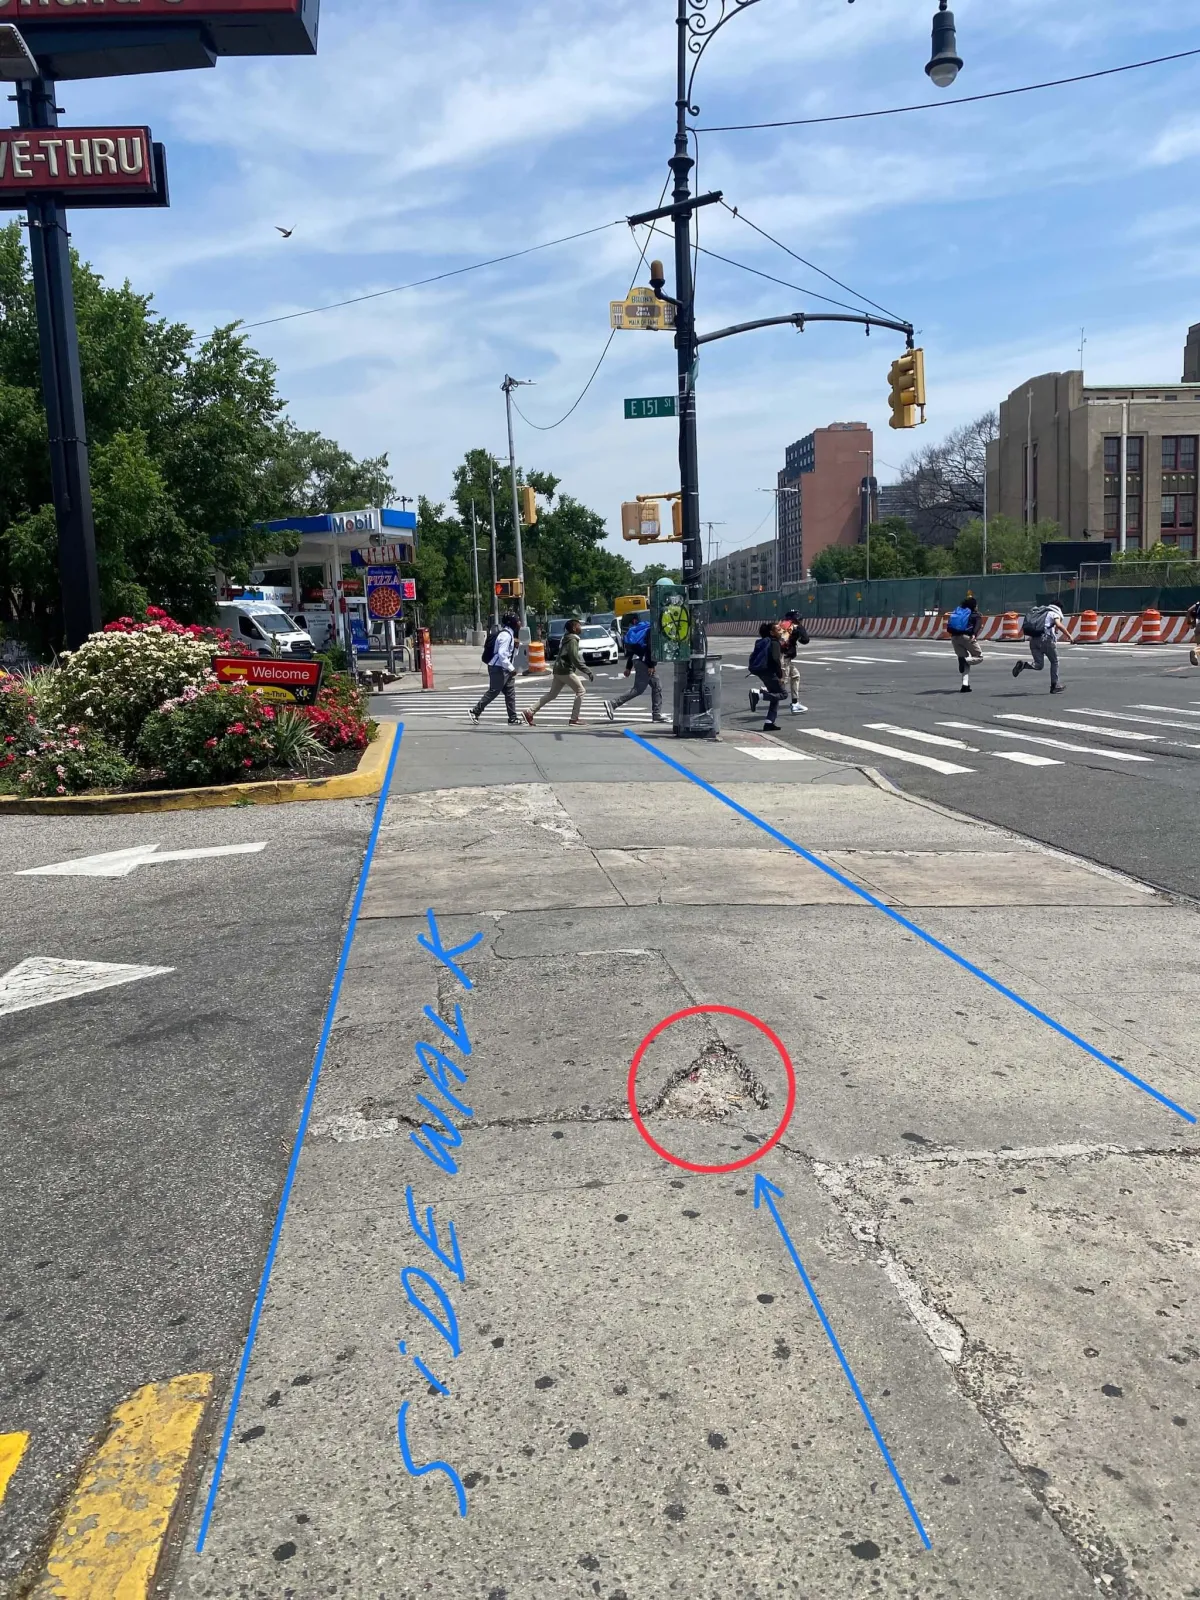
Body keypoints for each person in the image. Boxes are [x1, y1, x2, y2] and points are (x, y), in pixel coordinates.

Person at [523, 618, 593, 725]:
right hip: (565, 670)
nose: (581, 628)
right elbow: (574, 658)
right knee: (581, 691)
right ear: (574, 628)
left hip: (558, 669)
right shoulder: (573, 640)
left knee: (552, 694)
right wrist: (587, 671)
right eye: (579, 625)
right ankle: (574, 718)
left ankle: (530, 711)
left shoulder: (566, 638)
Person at [603, 615, 665, 723]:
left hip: (639, 661)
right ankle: (613, 703)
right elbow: (650, 648)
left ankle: (656, 714)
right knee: (638, 689)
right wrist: (651, 665)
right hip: (645, 663)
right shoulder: (653, 631)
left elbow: (632, 650)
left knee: (657, 685)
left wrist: (628, 667)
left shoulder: (644, 629)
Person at [469, 612, 520, 724]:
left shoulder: (510, 635)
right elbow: (502, 655)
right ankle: (475, 711)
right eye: (518, 621)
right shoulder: (506, 636)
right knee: (494, 691)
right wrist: (511, 668)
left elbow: (511, 654)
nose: (519, 623)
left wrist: (516, 647)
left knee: (510, 692)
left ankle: (513, 718)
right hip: (498, 668)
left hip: (504, 667)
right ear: (512, 623)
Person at [1013, 602, 1069, 693]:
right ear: (1059, 608)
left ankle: (1024, 664)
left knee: (1039, 665)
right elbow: (1058, 625)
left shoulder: (1040, 612)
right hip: (1045, 640)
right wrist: (1069, 636)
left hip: (1033, 640)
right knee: (1054, 661)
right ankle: (1055, 685)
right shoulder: (1054, 613)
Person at [747, 621, 785, 731]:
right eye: (778, 630)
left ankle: (769, 722)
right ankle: (758, 696)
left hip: (762, 672)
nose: (781, 631)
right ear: (772, 633)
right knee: (783, 694)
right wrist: (780, 674)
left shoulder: (766, 642)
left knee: (775, 696)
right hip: (770, 672)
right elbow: (775, 659)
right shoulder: (774, 643)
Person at [946, 594, 983, 693]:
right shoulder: (976, 614)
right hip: (967, 637)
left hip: (954, 638)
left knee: (963, 660)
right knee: (979, 657)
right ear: (974, 606)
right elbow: (978, 626)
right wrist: (974, 634)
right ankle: (965, 660)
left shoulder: (958, 612)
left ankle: (965, 685)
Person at [779, 609, 809, 714]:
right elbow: (806, 640)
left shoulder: (782, 626)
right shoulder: (795, 627)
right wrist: (800, 630)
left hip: (784, 657)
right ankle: (759, 695)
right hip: (784, 658)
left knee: (796, 676)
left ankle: (795, 703)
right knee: (782, 685)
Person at [1187, 596, 1200, 667]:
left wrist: (1190, 622)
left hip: (1198, 627)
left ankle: (1195, 651)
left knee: (1199, 646)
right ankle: (1195, 651)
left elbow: (1189, 610)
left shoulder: (1198, 603)